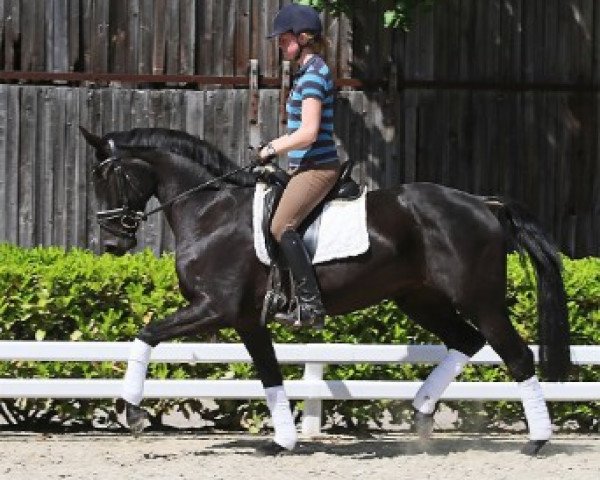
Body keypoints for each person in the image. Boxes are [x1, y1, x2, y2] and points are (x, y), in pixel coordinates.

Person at [257, 3, 340, 329]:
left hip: (317, 167)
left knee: (280, 227)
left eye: (283, 38)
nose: (279, 43)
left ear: (303, 37)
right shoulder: (307, 72)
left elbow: (307, 133)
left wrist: (272, 148)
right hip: (302, 166)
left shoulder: (313, 76)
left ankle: (310, 307)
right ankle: (279, 292)